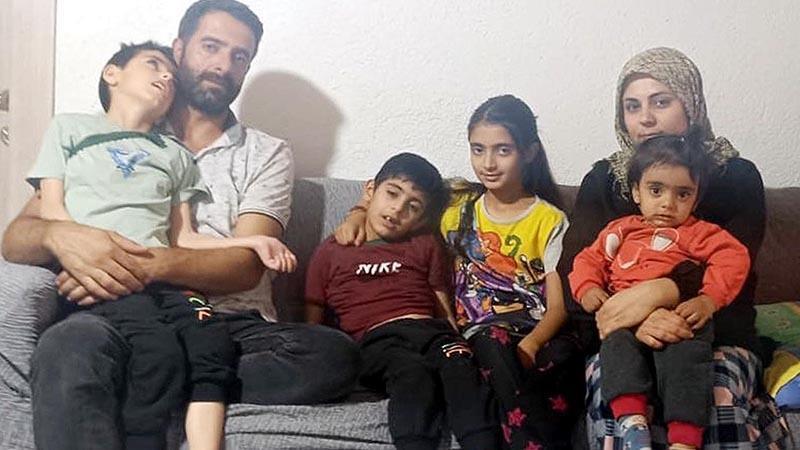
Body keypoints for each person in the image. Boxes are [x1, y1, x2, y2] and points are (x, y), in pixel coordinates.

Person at [1, 2, 359, 450]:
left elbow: (244, 267)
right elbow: (16, 240)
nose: (223, 65)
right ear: (179, 49)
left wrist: (129, 264)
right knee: (67, 348)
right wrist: (62, 236)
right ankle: (181, 383)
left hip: (227, 322)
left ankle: (153, 380)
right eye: (211, 46)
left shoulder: (266, 153)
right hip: (114, 312)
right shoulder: (109, 137)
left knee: (333, 355)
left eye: (240, 56)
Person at [27, 40, 301, 450]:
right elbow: (43, 217)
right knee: (130, 350)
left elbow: (187, 239)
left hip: (185, 300)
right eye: (211, 46)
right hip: (107, 295)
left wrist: (256, 240)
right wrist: (82, 255)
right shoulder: (71, 129)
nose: (166, 76)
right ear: (112, 73)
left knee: (309, 352)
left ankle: (174, 386)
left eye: (240, 56)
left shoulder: (178, 154)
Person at [557, 47, 787, 448]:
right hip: (619, 333)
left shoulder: (734, 176)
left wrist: (663, 291)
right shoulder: (605, 180)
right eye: (632, 106)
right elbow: (576, 271)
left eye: (661, 102)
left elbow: (735, 268)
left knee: (714, 397)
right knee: (615, 402)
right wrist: (636, 319)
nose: (646, 118)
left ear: (690, 104)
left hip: (713, 331)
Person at [335, 95, 584, 450]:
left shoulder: (550, 219)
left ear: (529, 152)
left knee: (566, 355)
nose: (488, 163)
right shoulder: (456, 205)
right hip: (479, 333)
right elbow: (395, 202)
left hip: (533, 329)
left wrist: (531, 344)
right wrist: (358, 211)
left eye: (503, 150)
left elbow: (557, 309)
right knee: (491, 344)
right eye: (478, 150)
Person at [569, 129, 751, 450]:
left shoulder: (698, 232)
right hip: (626, 319)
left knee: (688, 361)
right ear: (636, 192)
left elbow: (733, 258)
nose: (668, 203)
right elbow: (587, 260)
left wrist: (708, 300)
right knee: (616, 348)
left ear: (696, 198)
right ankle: (632, 422)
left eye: (683, 194)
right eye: (656, 190)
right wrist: (587, 288)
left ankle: (685, 439)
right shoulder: (620, 231)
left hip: (681, 317)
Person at [305, 152, 498, 450]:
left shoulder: (424, 243)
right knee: (413, 374)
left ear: (422, 218)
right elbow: (313, 313)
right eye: (392, 194)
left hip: (432, 332)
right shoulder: (332, 250)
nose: (397, 209)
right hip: (378, 341)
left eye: (413, 206)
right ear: (371, 190)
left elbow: (440, 298)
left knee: (460, 366)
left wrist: (454, 335)